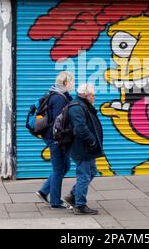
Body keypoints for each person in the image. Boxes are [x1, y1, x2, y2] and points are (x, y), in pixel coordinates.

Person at [63, 83, 104, 215]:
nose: (94, 97)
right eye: (93, 95)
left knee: (92, 171)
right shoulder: (76, 107)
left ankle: (73, 196)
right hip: (82, 148)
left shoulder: (84, 105)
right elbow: (80, 129)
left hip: (86, 148)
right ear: (85, 95)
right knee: (84, 175)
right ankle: (80, 205)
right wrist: (92, 141)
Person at [36, 71, 74, 209]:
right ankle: (55, 201)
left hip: (52, 137)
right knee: (59, 169)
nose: (73, 84)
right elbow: (60, 122)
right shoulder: (59, 99)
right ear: (65, 83)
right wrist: (59, 141)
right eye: (72, 81)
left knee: (65, 167)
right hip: (55, 139)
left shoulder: (60, 95)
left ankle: (43, 191)